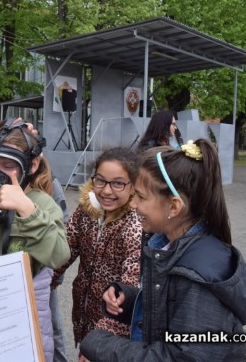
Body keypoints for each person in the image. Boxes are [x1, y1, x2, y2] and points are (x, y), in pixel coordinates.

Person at [79, 140, 246, 361]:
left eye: (141, 197)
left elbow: (181, 357)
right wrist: (130, 300)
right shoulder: (169, 246)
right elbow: (172, 307)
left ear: (173, 207)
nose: (133, 204)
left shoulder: (196, 278)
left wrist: (100, 345)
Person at [0, 119, 71, 362]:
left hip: (24, 312)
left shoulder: (41, 203)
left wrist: (28, 211)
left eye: (9, 165)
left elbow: (60, 255)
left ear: (32, 164)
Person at [52, 147, 143, 349]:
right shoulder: (87, 212)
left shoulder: (135, 227)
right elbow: (62, 253)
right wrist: (38, 283)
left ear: (133, 187)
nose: (107, 191)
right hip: (84, 311)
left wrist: (99, 343)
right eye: (100, 180)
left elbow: (128, 290)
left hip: (114, 327)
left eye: (118, 183)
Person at [49, 177, 70, 362]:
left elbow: (64, 231)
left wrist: (56, 278)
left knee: (52, 327)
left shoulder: (49, 181)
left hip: (43, 275)